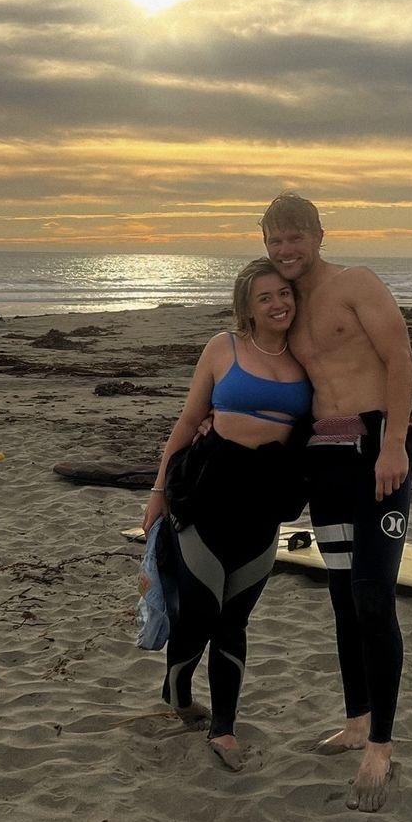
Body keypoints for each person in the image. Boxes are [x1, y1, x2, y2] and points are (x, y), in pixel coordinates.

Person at [261, 192, 412, 813]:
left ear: (319, 236)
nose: (286, 249)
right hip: (325, 458)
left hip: (376, 449)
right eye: (275, 240)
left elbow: (400, 357)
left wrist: (395, 444)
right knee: (343, 598)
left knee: (374, 596)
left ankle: (381, 744)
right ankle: (356, 721)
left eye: (295, 237)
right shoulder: (287, 307)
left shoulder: (356, 283)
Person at [141, 258, 312, 771]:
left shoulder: (307, 354)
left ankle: (225, 728)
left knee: (235, 619)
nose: (278, 304)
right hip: (207, 494)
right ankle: (178, 693)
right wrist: (158, 491)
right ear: (247, 307)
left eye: (284, 293)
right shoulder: (224, 348)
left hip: (264, 503)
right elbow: (188, 420)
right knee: (199, 614)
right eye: (265, 297)